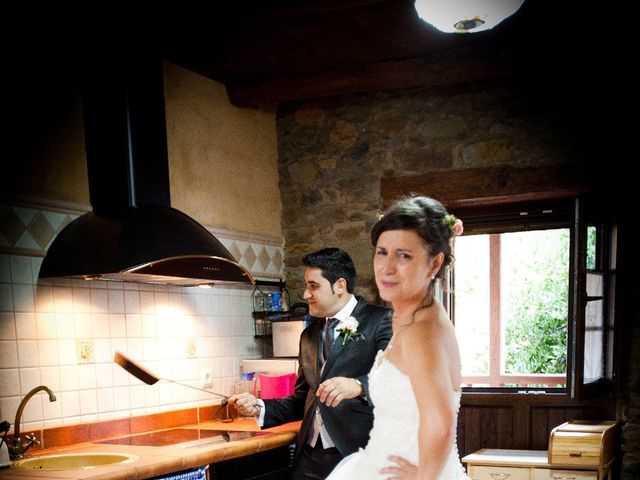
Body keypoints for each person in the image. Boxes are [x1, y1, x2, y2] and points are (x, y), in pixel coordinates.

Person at [326, 196, 469, 480]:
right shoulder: (410, 318)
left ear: (434, 263)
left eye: (404, 255)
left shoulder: (422, 330)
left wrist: (422, 477)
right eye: (382, 252)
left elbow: (440, 423)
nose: (387, 267)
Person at [232, 247, 393, 479]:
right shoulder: (309, 335)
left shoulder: (380, 320)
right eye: (306, 286)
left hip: (359, 456)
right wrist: (261, 407)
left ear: (340, 285)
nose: (306, 295)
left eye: (313, 286)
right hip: (309, 459)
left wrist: (359, 386)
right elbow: (303, 399)